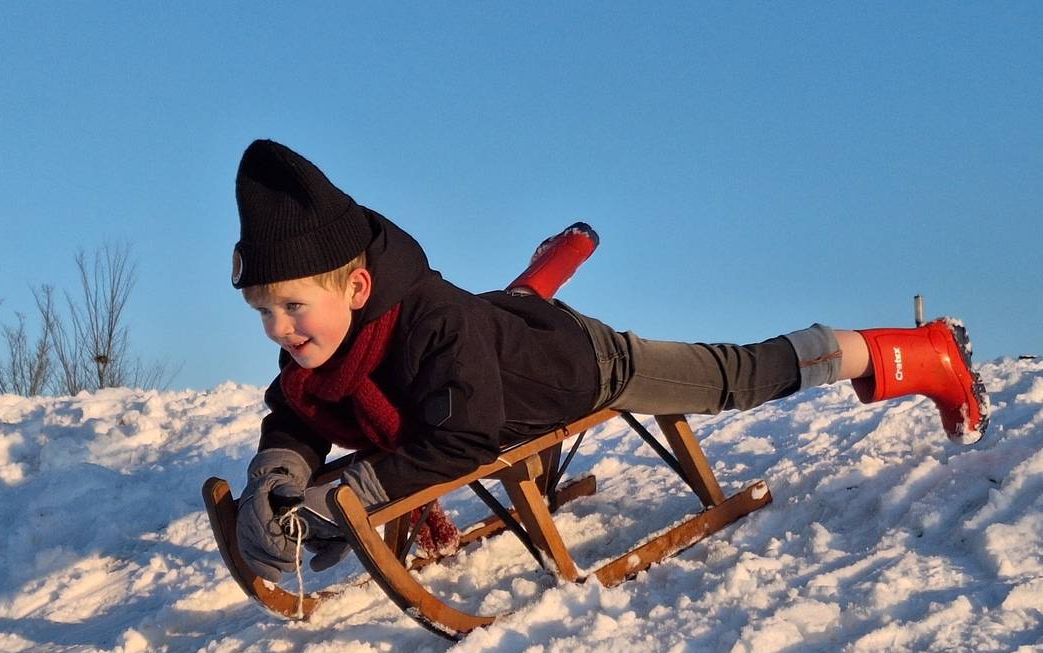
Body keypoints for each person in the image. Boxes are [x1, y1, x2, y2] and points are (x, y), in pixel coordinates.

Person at [229, 139, 990, 582]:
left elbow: (466, 436)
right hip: (506, 334)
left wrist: (351, 490)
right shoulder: (330, 344)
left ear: (358, 286)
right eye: (264, 311)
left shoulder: (432, 322)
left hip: (580, 364)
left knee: (734, 376)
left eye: (293, 307)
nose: (279, 330)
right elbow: (292, 409)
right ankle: (547, 272)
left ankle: (914, 352)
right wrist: (281, 472)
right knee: (508, 312)